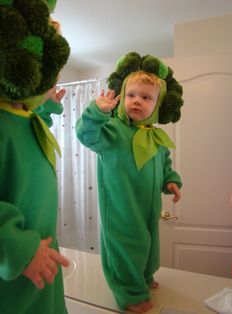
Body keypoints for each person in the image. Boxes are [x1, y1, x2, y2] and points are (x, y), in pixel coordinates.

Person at [76, 52, 184, 313]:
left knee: (149, 245)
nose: (137, 101)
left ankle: (144, 278)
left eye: (146, 98)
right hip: (121, 206)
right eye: (131, 95)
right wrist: (95, 113)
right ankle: (129, 293)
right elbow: (86, 135)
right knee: (127, 248)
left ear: (156, 106)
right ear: (122, 97)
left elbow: (164, 163)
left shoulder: (156, 137)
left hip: (148, 207)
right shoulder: (112, 130)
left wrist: (170, 181)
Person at [0, 1, 70, 314]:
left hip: (40, 266)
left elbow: (30, 120)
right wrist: (20, 249)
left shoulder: (24, 116)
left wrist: (49, 105)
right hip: (14, 270)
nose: (53, 78)